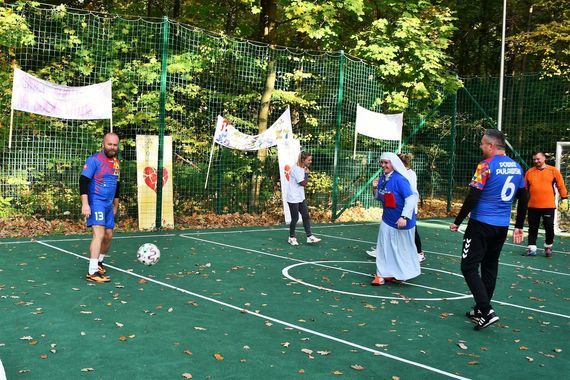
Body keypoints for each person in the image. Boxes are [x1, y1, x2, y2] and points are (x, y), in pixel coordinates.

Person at [450, 129, 527, 330]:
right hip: (501, 226)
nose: (481, 147)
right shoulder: (517, 167)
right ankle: (479, 309)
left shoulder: (485, 165)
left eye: (483, 144)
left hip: (481, 224)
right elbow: (524, 197)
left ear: (492, 146)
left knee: (468, 267)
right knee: (490, 266)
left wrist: (458, 221)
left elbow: (473, 196)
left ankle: (486, 310)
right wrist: (518, 225)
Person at [371, 152, 420, 286]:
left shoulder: (400, 179)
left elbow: (410, 199)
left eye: (386, 163)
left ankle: (401, 273)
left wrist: (404, 217)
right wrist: (374, 187)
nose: (383, 165)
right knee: (383, 247)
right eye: (382, 162)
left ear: (393, 163)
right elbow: (378, 197)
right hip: (387, 218)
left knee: (401, 249)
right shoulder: (382, 178)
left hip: (401, 221)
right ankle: (381, 274)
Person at [80, 132, 121, 283]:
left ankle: (99, 262)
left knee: (109, 235)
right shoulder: (94, 160)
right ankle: (92, 272)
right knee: (99, 234)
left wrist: (116, 205)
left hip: (108, 204)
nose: (112, 147)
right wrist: (85, 204)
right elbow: (83, 181)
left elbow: (117, 184)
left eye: (115, 145)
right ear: (103, 144)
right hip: (96, 201)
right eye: (109, 144)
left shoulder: (116, 162)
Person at [523, 151, 568, 257]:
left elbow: (560, 185)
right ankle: (531, 248)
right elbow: (525, 189)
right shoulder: (529, 172)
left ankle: (548, 246)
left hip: (548, 205)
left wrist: (564, 198)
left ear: (544, 158)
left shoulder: (553, 171)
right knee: (532, 227)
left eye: (538, 159)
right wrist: (523, 200)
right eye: (534, 159)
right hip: (532, 205)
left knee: (549, 227)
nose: (536, 161)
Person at [286, 151, 321, 245]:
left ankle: (309, 237)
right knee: (295, 218)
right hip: (293, 197)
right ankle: (291, 237)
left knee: (306, 216)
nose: (310, 161)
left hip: (300, 197)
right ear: (302, 160)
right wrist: (306, 174)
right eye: (309, 160)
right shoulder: (296, 169)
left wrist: (305, 172)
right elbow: (303, 183)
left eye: (311, 159)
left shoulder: (303, 168)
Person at [398, 153, 425, 264]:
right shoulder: (401, 173)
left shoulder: (410, 174)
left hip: (409, 207)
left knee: (413, 230)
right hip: (402, 206)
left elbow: (412, 193)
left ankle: (419, 253)